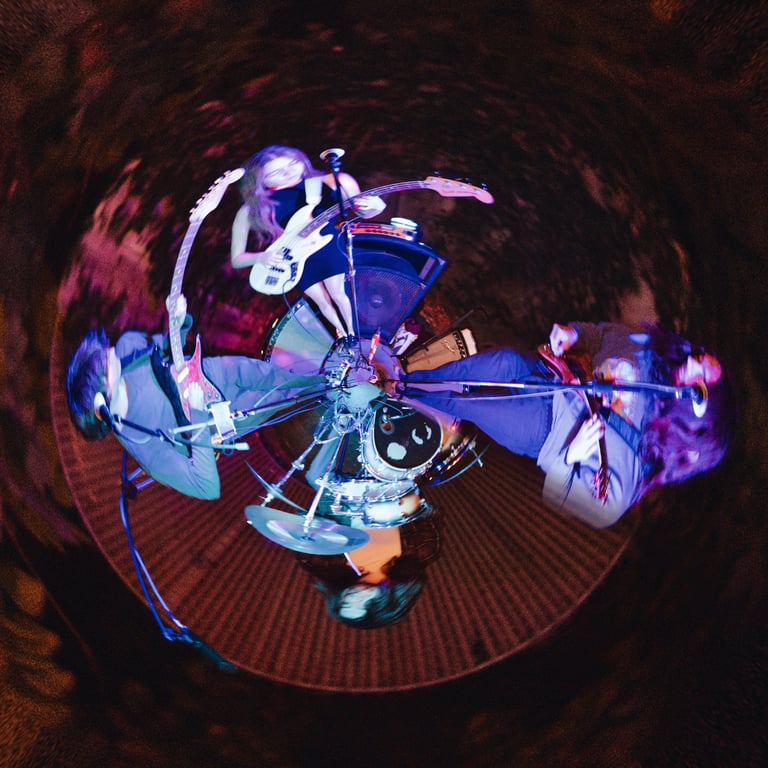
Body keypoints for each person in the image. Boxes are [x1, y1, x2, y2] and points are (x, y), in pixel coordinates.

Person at [399, 321, 732, 528]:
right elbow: (601, 334)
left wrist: (571, 456)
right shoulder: (647, 348)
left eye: (702, 380)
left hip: (541, 430)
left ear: (693, 427)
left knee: (466, 403)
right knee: (490, 363)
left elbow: (559, 496)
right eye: (701, 357)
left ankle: (400, 395)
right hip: (548, 374)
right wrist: (573, 332)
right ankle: (404, 378)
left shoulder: (633, 472)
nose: (693, 363)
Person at [66, 296, 324, 500]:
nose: (110, 351)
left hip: (214, 371)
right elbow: (207, 487)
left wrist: (177, 323)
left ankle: (320, 376)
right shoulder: (146, 447)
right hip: (221, 418)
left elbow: (166, 350)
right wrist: (198, 412)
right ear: (102, 402)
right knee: (281, 397)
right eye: (104, 363)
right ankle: (326, 388)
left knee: (271, 374)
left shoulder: (126, 347)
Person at [230, 144, 386, 339]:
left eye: (293, 164)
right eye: (276, 172)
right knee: (322, 302)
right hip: (293, 260)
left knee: (339, 294)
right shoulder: (250, 210)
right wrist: (262, 257)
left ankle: (356, 332)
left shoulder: (329, 182)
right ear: (258, 180)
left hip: (327, 248)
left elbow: (362, 211)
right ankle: (345, 337)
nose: (288, 172)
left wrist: (375, 205)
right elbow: (237, 259)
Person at [296, 501, 440, 629]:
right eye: (361, 605)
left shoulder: (322, 565)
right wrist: (408, 505)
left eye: (345, 604)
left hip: (340, 497)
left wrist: (318, 525)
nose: (352, 599)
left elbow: (301, 525)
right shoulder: (420, 554)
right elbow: (430, 517)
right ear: (387, 604)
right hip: (392, 494)